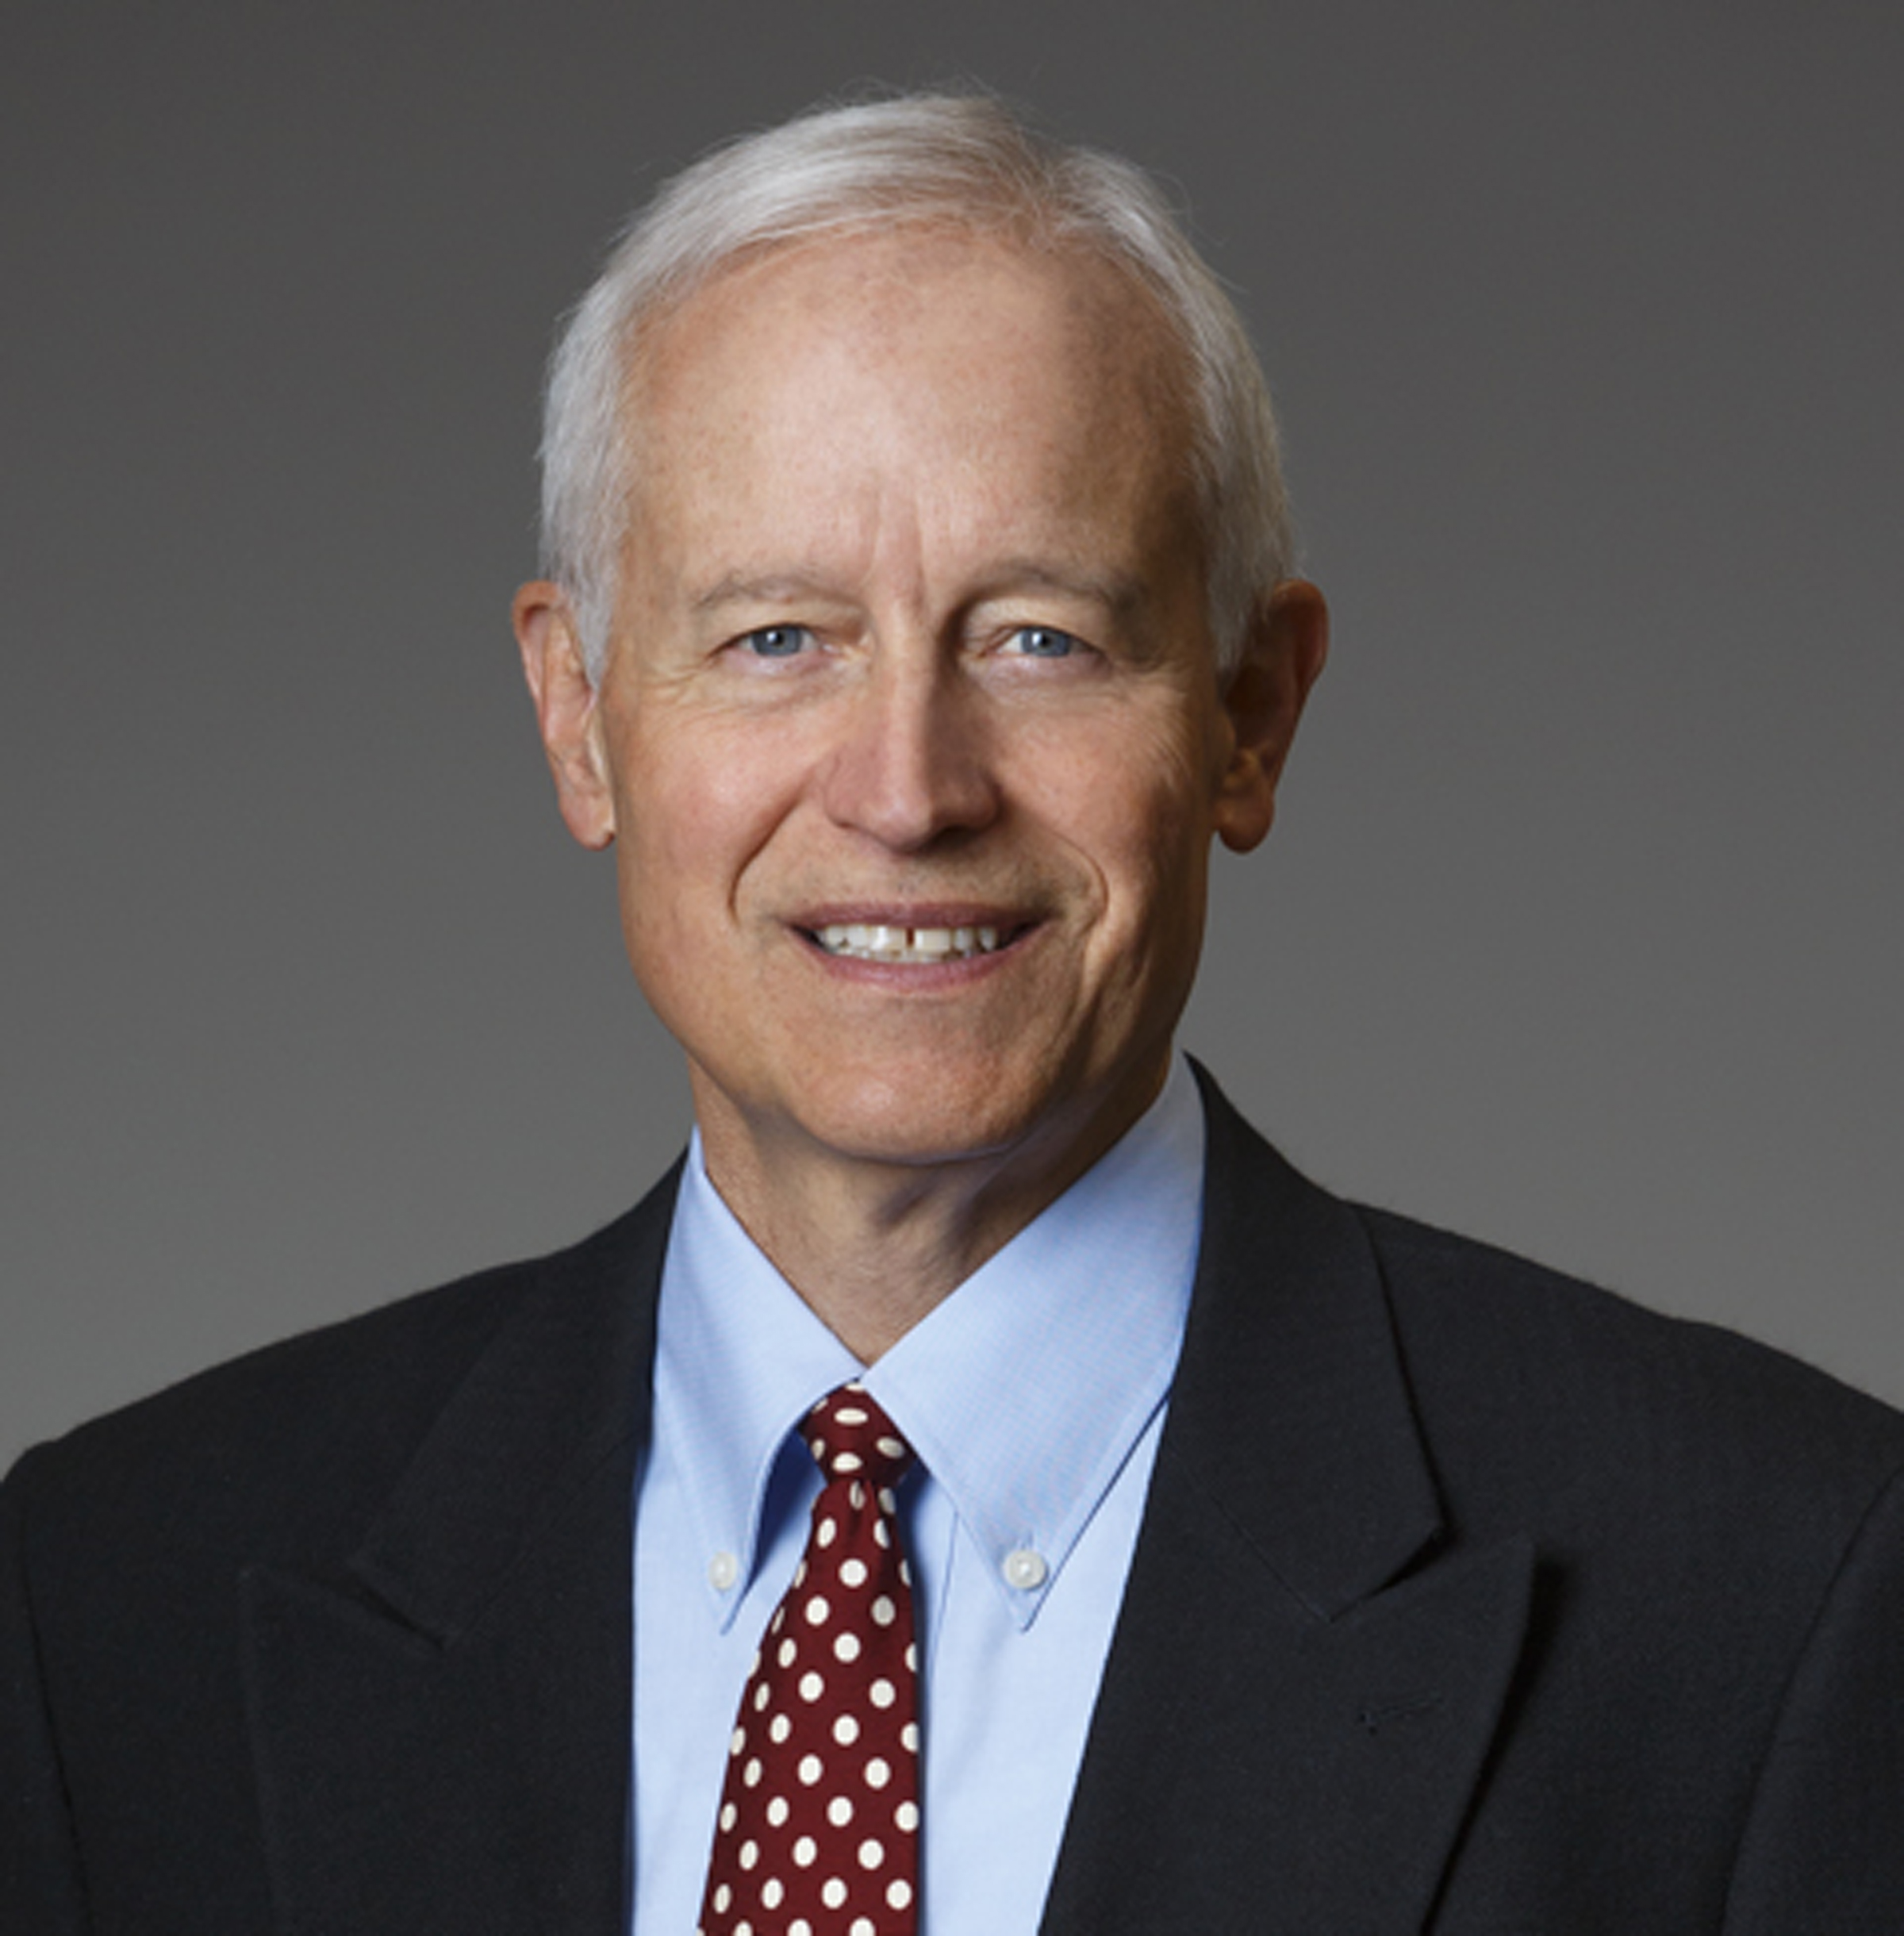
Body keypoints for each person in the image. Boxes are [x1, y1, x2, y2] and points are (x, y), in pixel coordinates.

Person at [4, 92, 1901, 1936]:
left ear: (1253, 712)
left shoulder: (1772, 1589)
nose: (907, 788)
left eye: (1039, 637)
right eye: (776, 638)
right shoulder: (108, 1598)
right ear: (578, 715)